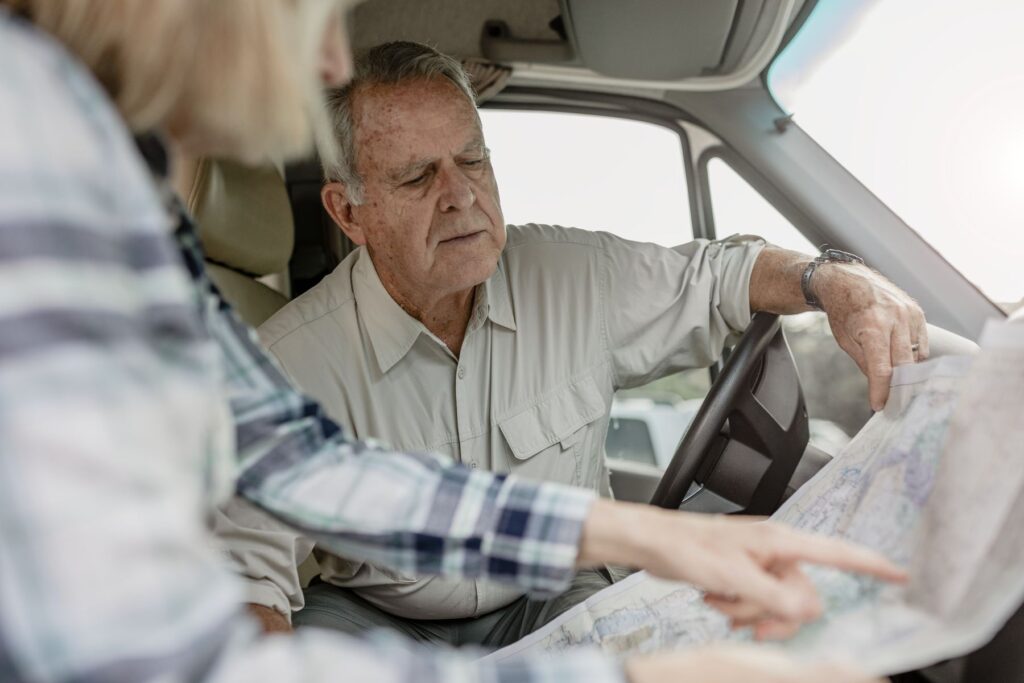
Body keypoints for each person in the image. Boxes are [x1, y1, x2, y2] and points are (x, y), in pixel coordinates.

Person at [0, 1, 901, 681]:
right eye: (295, 8)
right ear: (349, 215)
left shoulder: (121, 199)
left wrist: (636, 533)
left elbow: (310, 464)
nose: (322, 54)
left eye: (472, 160)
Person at [220, 41, 927, 642]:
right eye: (416, 176)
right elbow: (248, 578)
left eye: (472, 161)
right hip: (381, 619)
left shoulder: (572, 275)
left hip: (552, 590)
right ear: (350, 212)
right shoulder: (285, 365)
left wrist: (838, 282)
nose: (461, 196)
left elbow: (722, 276)